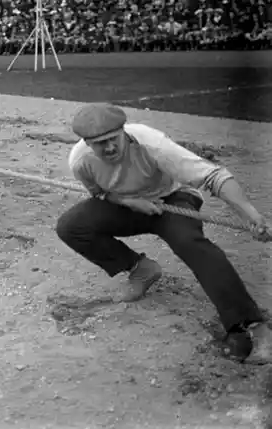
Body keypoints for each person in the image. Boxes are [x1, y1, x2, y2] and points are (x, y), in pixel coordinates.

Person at [55, 103, 272, 364]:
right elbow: (99, 193)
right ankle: (141, 269)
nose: (109, 148)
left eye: (113, 139)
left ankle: (251, 326)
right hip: (128, 205)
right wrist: (127, 201)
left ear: (123, 132)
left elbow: (213, 176)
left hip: (173, 200)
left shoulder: (152, 143)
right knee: (71, 226)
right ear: (87, 143)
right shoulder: (79, 161)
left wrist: (250, 214)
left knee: (190, 243)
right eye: (100, 144)